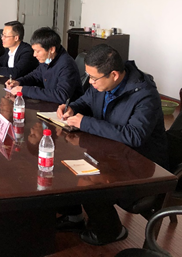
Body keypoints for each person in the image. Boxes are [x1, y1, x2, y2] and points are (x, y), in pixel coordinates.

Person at [55, 44, 169, 246]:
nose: (90, 82)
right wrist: (72, 108)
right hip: (111, 151)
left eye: (94, 78)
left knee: (87, 180)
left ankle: (111, 231)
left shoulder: (145, 94)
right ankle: (74, 216)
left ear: (114, 75)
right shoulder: (102, 84)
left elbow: (135, 136)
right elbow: (86, 101)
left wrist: (85, 123)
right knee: (64, 162)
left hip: (141, 163)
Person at [6, 27, 83, 104]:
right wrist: (19, 82)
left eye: (38, 51)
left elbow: (61, 95)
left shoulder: (66, 65)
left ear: (51, 50)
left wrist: (24, 90)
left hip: (67, 108)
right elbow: (35, 76)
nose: (34, 55)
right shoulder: (48, 58)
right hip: (51, 104)